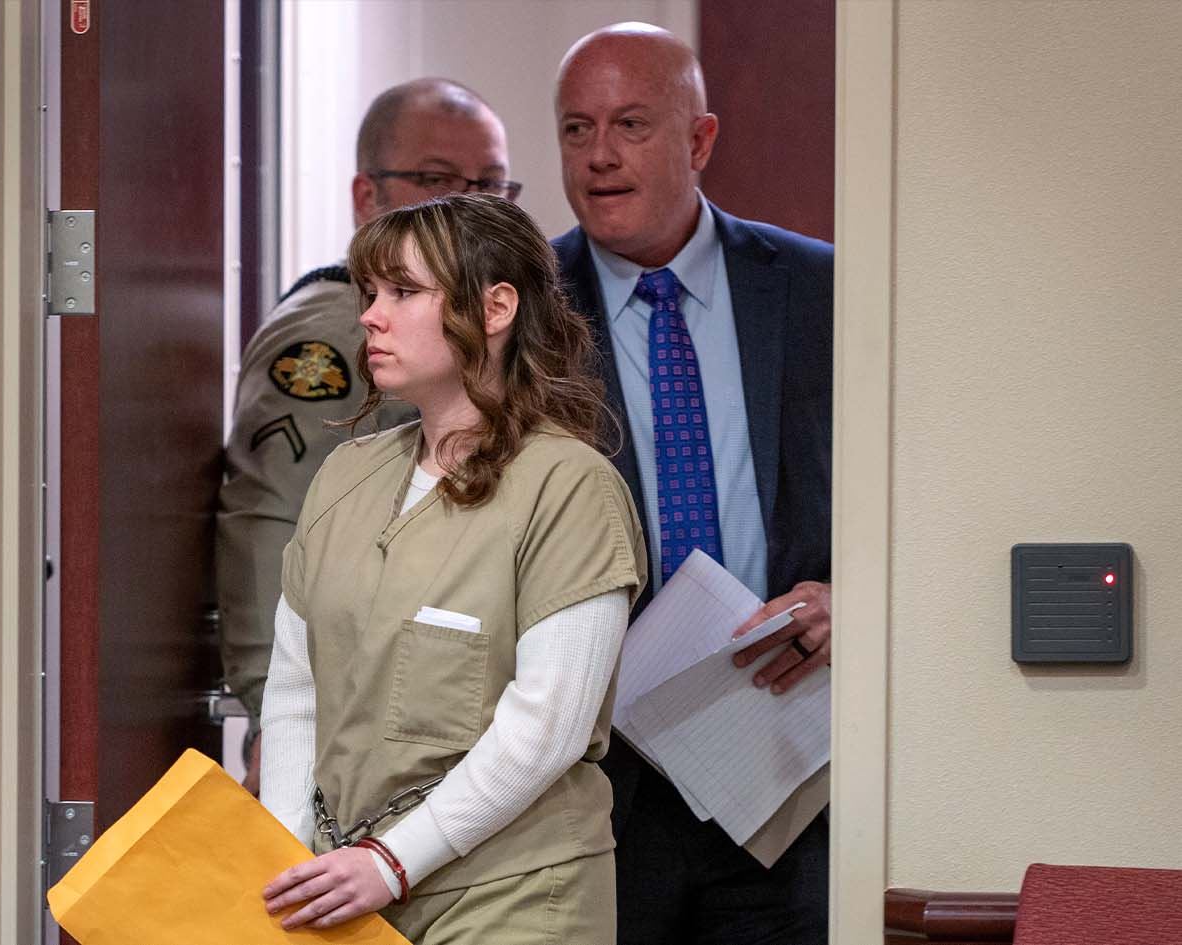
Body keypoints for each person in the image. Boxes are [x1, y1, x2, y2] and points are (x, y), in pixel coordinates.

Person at [258, 193, 647, 944]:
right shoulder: (344, 476)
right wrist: (289, 856)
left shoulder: (570, 487)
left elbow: (549, 728)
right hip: (347, 890)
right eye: (370, 292)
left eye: (403, 292)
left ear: (496, 308)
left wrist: (392, 862)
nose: (370, 316)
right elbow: (296, 689)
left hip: (513, 894)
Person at [551, 22, 834, 945]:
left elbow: (918, 491)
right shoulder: (519, 309)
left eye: (630, 124)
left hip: (785, 758)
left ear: (700, 140)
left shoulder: (820, 289)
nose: (599, 156)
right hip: (597, 778)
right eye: (577, 129)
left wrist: (855, 598)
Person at [216, 78, 519, 791]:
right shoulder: (336, 332)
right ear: (366, 196)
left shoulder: (484, 328)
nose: (468, 206)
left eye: (490, 185)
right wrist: (273, 714)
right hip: (349, 730)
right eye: (437, 180)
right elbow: (269, 521)